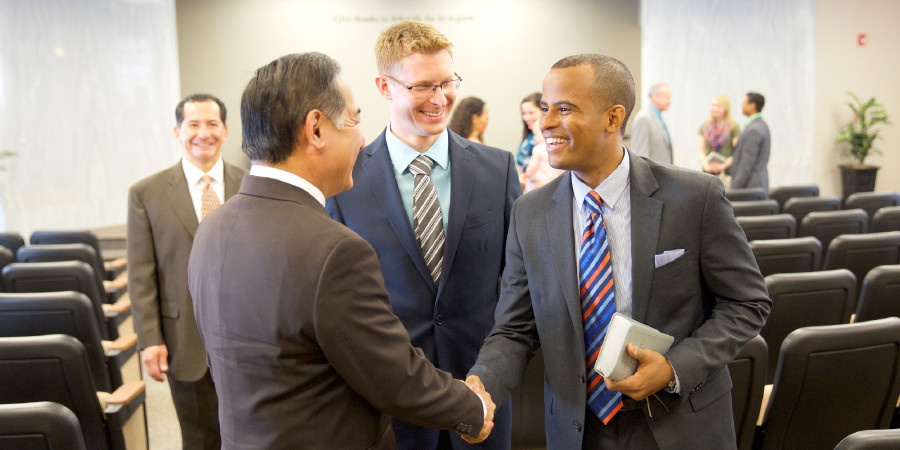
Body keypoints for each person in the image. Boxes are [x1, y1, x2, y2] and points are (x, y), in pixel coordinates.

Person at [188, 52, 495, 449]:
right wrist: (473, 409)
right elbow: (392, 375)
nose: (362, 137)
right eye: (353, 119)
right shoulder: (334, 251)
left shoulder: (212, 227)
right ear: (316, 129)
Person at [466, 54, 771, 449]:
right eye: (545, 108)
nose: (545, 123)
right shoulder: (531, 212)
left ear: (613, 119)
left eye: (564, 109)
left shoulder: (695, 197)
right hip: (578, 431)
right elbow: (515, 328)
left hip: (682, 424)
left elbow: (747, 303)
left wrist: (673, 367)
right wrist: (480, 383)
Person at [326, 20, 520, 450]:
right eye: (422, 86)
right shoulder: (346, 180)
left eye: (447, 82)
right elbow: (339, 306)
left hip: (484, 397)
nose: (440, 98)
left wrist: (491, 377)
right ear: (384, 86)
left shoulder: (498, 169)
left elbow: (517, 288)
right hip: (391, 407)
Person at [127, 93, 246, 450]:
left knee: (253, 434)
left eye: (212, 124)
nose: (203, 133)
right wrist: (150, 340)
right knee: (199, 438)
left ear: (225, 131)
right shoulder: (146, 194)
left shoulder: (251, 185)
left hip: (247, 338)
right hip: (184, 339)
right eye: (193, 125)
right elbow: (141, 275)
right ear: (178, 131)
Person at [697, 94, 741, 188]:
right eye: (713, 105)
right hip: (707, 174)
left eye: (718, 106)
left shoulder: (734, 127)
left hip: (726, 173)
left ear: (725, 108)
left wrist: (723, 166)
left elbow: (737, 153)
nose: (715, 109)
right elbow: (700, 150)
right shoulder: (705, 126)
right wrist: (706, 166)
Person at [731, 92, 770, 192]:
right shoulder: (761, 125)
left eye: (744, 103)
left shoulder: (753, 130)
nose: (741, 106)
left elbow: (747, 162)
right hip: (756, 184)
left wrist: (734, 188)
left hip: (750, 186)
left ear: (752, 105)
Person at [520, 106, 563, 192]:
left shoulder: (538, 149)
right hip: (558, 179)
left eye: (535, 135)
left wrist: (527, 174)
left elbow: (532, 166)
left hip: (541, 180)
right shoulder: (558, 146)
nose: (535, 138)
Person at [631, 83, 673, 164]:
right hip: (652, 176)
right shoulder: (643, 118)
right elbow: (640, 155)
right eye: (667, 98)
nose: (670, 101)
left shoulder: (658, 117)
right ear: (655, 97)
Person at [516, 92, 542, 172]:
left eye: (531, 113)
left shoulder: (547, 139)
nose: (526, 118)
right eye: (524, 113)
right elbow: (519, 158)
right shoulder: (529, 135)